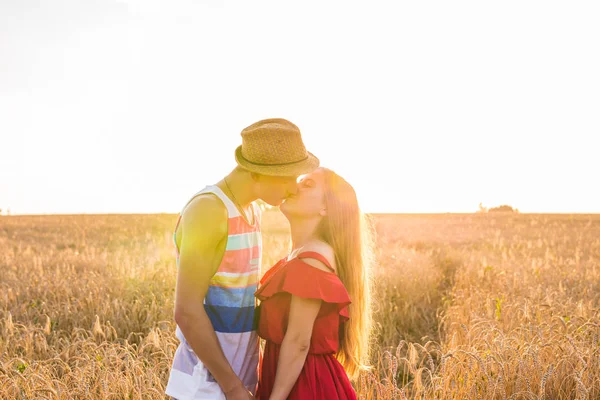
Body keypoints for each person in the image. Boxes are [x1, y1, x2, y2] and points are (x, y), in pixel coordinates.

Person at [165, 118, 319, 400]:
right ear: (256, 173)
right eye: (287, 177)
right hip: (204, 387)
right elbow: (186, 312)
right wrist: (232, 387)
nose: (294, 188)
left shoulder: (252, 211)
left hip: (235, 382)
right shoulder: (208, 211)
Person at [254, 167, 374, 400]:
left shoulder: (312, 258)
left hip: (304, 384)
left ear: (326, 208)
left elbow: (299, 341)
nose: (294, 186)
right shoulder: (303, 253)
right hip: (292, 376)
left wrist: (275, 397)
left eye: (307, 184)